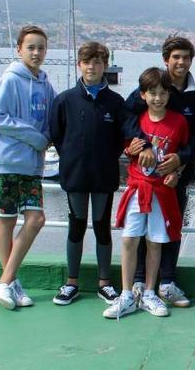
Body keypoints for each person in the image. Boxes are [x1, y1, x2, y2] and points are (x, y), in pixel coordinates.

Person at [123, 35, 195, 308]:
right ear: (166, 59)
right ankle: (139, 281)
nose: (181, 62)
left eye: (186, 57)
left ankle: (167, 281)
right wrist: (144, 146)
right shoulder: (153, 86)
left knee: (171, 227)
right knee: (140, 228)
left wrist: (181, 159)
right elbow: (128, 117)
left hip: (177, 174)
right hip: (145, 177)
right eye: (176, 57)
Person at [105, 68, 189, 319]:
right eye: (152, 93)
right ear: (142, 95)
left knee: (155, 242)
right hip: (137, 189)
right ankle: (127, 294)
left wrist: (177, 172)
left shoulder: (178, 122)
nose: (158, 98)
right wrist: (131, 148)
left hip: (162, 193)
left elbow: (183, 152)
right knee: (130, 240)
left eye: (163, 93)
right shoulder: (136, 123)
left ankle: (150, 293)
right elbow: (128, 151)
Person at [0, 25, 57, 310]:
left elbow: (52, 120)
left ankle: (6, 280)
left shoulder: (45, 84)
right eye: (31, 47)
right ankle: (9, 282)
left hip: (32, 165)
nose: (36, 52)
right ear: (19, 49)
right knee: (7, 219)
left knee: (36, 219)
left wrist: (50, 137)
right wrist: (36, 137)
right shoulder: (10, 80)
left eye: (41, 47)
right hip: (6, 161)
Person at [49, 42, 125, 306]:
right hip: (76, 174)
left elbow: (121, 139)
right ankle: (72, 283)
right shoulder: (65, 99)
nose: (91, 67)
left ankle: (105, 283)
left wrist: (104, 156)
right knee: (77, 225)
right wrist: (71, 156)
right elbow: (57, 135)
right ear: (79, 65)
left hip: (104, 174)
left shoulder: (115, 102)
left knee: (102, 226)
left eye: (97, 62)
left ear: (104, 66)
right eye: (86, 62)